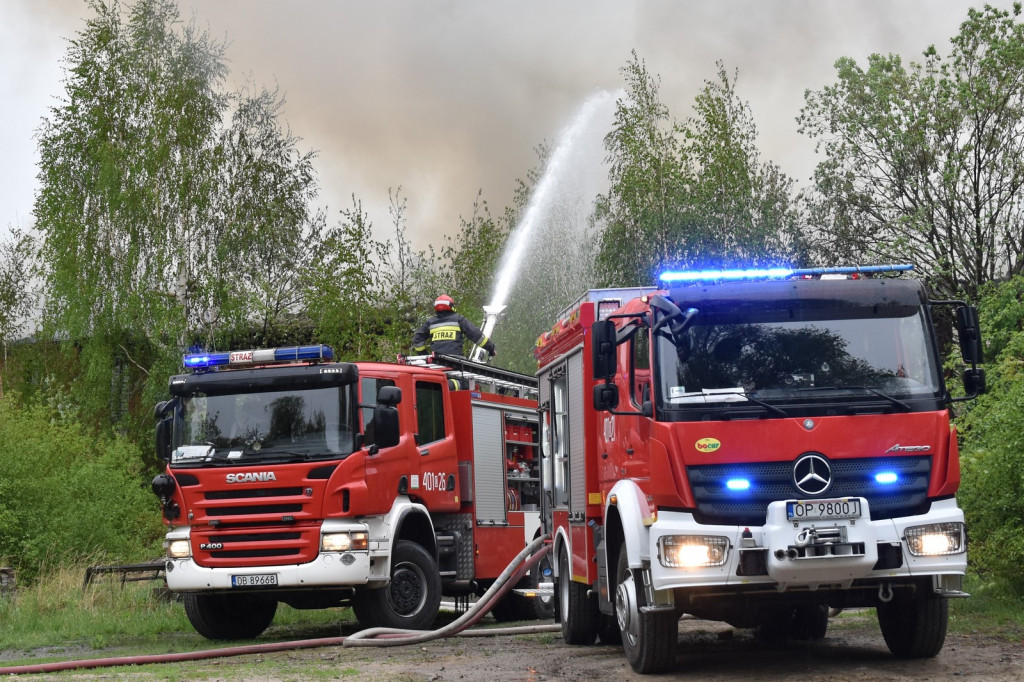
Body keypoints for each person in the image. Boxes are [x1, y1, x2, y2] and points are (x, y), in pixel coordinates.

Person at [412, 294, 496, 358]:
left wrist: (425, 356)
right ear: (451, 306)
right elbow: (476, 336)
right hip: (456, 361)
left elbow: (417, 340)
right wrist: (491, 349)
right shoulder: (459, 319)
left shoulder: (430, 323)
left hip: (436, 361)